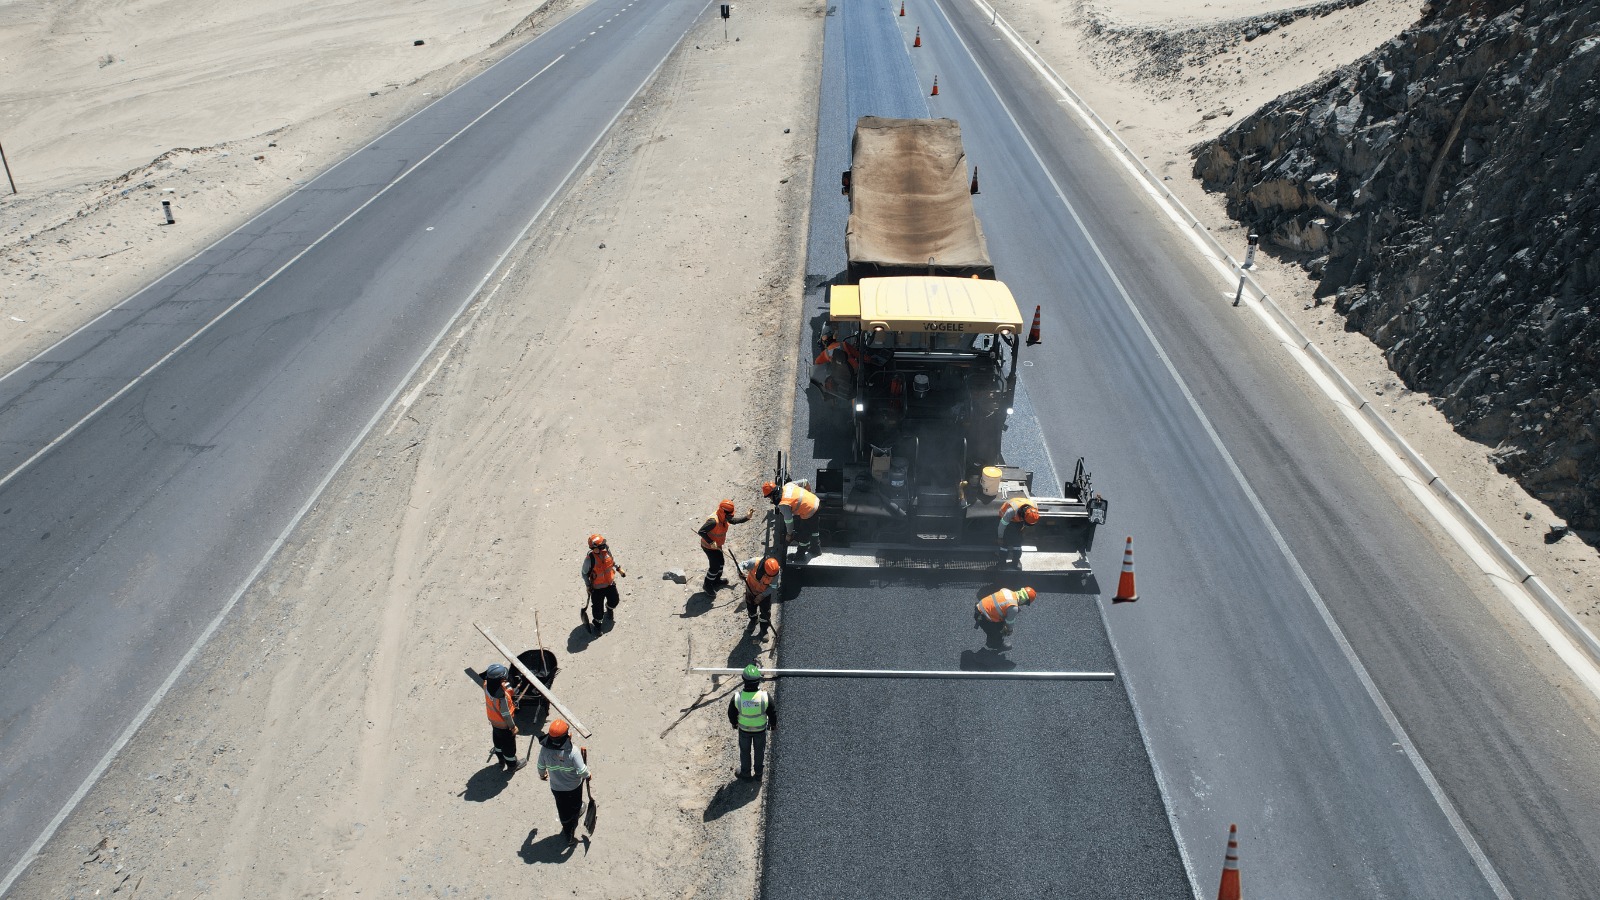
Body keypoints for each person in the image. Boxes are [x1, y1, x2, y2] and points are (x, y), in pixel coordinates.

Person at [536, 719, 591, 847]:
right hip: (573, 787)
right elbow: (582, 771)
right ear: (567, 735)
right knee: (575, 803)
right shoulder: (573, 752)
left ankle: (568, 832)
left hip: (556, 788)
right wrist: (588, 775)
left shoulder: (545, 750)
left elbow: (540, 766)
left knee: (562, 808)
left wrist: (542, 774)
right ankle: (576, 813)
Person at [727, 664, 776, 781]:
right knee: (759, 752)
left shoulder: (737, 697)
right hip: (760, 730)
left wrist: (734, 723)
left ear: (743, 680)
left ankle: (745, 773)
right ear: (758, 680)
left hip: (744, 730)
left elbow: (731, 713)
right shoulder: (765, 697)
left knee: (745, 752)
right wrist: (773, 725)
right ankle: (758, 774)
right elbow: (772, 712)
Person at [698, 499, 754, 592]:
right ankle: (707, 585)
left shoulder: (724, 517)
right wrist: (711, 542)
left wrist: (747, 517)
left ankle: (716, 581)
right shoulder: (713, 521)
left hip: (717, 546)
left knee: (721, 563)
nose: (730, 518)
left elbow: (734, 521)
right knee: (714, 567)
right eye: (729, 516)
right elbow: (701, 531)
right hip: (708, 547)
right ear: (723, 512)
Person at [581, 533, 627, 634]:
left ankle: (609, 608)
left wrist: (618, 569)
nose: (603, 548)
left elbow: (612, 561)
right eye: (600, 547)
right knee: (598, 611)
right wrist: (588, 585)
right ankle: (597, 625)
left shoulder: (606, 551)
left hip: (610, 584)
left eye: (603, 546)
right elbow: (584, 573)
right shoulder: (589, 560)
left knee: (614, 601)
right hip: (597, 588)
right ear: (593, 548)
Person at [763, 479, 820, 557]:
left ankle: (800, 555)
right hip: (816, 501)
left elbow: (789, 521)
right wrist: (808, 492)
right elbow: (805, 481)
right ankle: (816, 549)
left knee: (804, 535)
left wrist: (789, 534)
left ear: (772, 495)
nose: (770, 499)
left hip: (809, 511)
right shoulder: (788, 486)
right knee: (814, 529)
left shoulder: (783, 504)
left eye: (769, 497)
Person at [482, 663, 522, 772]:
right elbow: (506, 714)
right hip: (505, 726)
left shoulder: (485, 685)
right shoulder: (501, 697)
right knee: (509, 747)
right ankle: (513, 765)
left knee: (498, 743)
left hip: (494, 723)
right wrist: (513, 727)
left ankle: (501, 760)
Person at [741, 555, 782, 639]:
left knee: (765, 612)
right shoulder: (754, 562)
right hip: (750, 590)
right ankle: (753, 620)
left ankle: (764, 630)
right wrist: (740, 572)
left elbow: (773, 587)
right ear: (764, 570)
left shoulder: (775, 572)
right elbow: (741, 565)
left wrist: (762, 596)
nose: (770, 577)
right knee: (751, 607)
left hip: (764, 593)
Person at [997, 497, 1040, 566]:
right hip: (1006, 518)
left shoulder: (1034, 509)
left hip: (1017, 519)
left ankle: (1015, 562)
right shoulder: (1010, 512)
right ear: (1023, 515)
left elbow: (1028, 523)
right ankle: (1002, 562)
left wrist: (1024, 530)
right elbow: (1002, 525)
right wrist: (1000, 537)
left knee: (1018, 542)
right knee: (1004, 542)